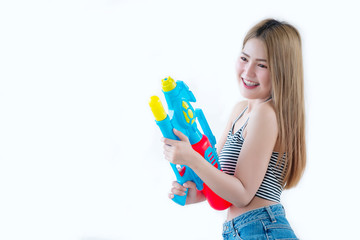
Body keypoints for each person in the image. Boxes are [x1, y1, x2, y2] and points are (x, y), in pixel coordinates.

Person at [162, 18, 306, 240]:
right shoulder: (241, 111)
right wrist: (198, 193)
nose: (248, 71)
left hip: (260, 229)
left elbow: (242, 195)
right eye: (244, 58)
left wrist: (192, 159)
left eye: (262, 65)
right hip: (244, 231)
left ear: (282, 71)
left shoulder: (266, 114)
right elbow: (221, 176)